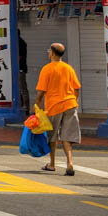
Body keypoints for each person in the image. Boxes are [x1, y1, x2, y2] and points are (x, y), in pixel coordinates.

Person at [35, 42, 81, 176]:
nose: (48, 52)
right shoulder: (68, 68)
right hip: (70, 104)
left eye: (49, 50)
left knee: (52, 137)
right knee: (67, 137)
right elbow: (76, 88)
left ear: (53, 54)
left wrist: (37, 105)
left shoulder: (47, 69)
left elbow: (41, 92)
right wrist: (75, 102)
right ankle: (70, 163)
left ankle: (52, 164)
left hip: (54, 107)